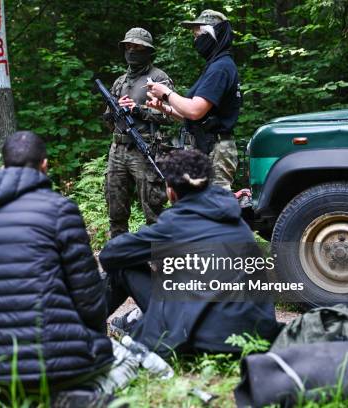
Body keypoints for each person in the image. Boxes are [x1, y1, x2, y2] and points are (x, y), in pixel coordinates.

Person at [0, 131, 143, 402]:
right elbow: (88, 297)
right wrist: (94, 342)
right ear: (45, 165)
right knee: (126, 360)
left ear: (3, 166)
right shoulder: (59, 209)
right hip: (51, 363)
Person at [100, 149, 280, 356]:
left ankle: (86, 328)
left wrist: (150, 242)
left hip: (202, 341)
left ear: (171, 191)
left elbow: (109, 254)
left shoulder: (177, 222)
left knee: (122, 264)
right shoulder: (236, 219)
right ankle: (132, 321)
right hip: (253, 337)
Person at [146, 10, 241, 190]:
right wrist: (165, 108)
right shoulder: (216, 65)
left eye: (197, 34)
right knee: (200, 205)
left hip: (215, 151)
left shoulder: (220, 68)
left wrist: (166, 93)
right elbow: (197, 117)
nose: (195, 40)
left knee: (213, 208)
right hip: (207, 145)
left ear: (212, 35)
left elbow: (195, 110)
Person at [104, 27, 175, 238]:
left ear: (147, 51)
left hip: (146, 149)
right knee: (116, 210)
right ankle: (119, 263)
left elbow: (170, 115)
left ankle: (161, 264)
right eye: (128, 46)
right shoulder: (120, 81)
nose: (132, 51)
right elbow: (108, 119)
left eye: (137, 47)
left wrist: (137, 109)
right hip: (117, 150)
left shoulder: (158, 78)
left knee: (154, 210)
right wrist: (116, 108)